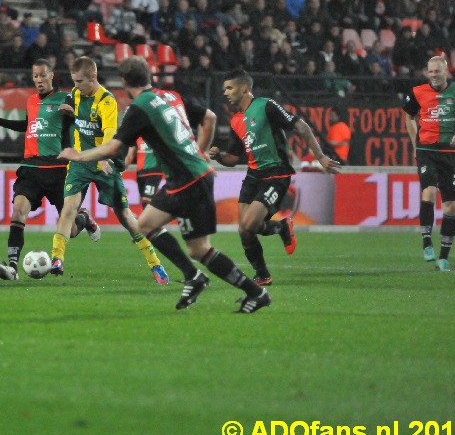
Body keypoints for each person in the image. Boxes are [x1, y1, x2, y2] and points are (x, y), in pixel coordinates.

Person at [59, 56, 270, 313]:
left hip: (188, 182)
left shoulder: (139, 108)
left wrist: (79, 155)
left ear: (124, 82)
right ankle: (197, 278)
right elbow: (210, 118)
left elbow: (115, 147)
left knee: (198, 248)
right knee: (149, 225)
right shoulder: (171, 97)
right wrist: (199, 154)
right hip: (190, 178)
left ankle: (253, 291)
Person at [209, 69, 341, 286]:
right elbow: (233, 158)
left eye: (229, 88)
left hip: (276, 174)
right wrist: (220, 157)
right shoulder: (236, 121)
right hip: (253, 176)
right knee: (244, 230)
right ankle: (263, 274)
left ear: (244, 88)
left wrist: (320, 157)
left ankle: (280, 228)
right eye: (224, 88)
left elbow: (301, 126)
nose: (225, 93)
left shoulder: (266, 105)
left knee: (250, 223)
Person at [0, 59, 100, 280]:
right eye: (35, 76)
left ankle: (84, 220)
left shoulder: (67, 98)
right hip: (31, 167)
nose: (39, 80)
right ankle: (12, 267)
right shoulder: (31, 101)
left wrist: (74, 115)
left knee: (70, 230)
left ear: (51, 75)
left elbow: (87, 123)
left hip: (59, 168)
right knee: (18, 210)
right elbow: (28, 125)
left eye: (43, 75)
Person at [51, 56, 168, 285]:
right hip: (80, 163)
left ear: (93, 78)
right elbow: (83, 119)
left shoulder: (107, 101)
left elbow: (108, 135)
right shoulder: (75, 95)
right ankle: (57, 259)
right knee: (68, 209)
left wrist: (105, 159)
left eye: (79, 81)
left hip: (104, 163)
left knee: (125, 216)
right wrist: (71, 113)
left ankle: (156, 265)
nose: (75, 86)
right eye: (73, 81)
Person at [402, 56, 455, 271]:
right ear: (427, 72)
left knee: (450, 205)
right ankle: (426, 243)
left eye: (437, 71)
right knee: (429, 192)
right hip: (427, 150)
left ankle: (443, 258)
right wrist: (415, 143)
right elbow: (408, 117)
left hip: (450, 153)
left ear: (446, 72)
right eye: (430, 71)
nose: (433, 75)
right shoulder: (417, 92)